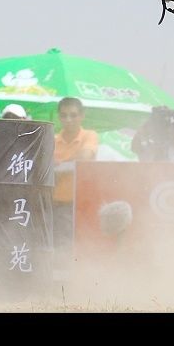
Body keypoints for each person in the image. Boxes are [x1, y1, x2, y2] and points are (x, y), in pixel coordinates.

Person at [52, 97, 99, 265]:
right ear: (59, 116)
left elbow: (84, 158)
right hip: (55, 204)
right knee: (58, 248)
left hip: (80, 204)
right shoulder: (52, 139)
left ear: (82, 116)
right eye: (64, 115)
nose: (68, 120)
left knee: (80, 248)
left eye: (73, 115)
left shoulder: (90, 135)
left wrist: (58, 165)